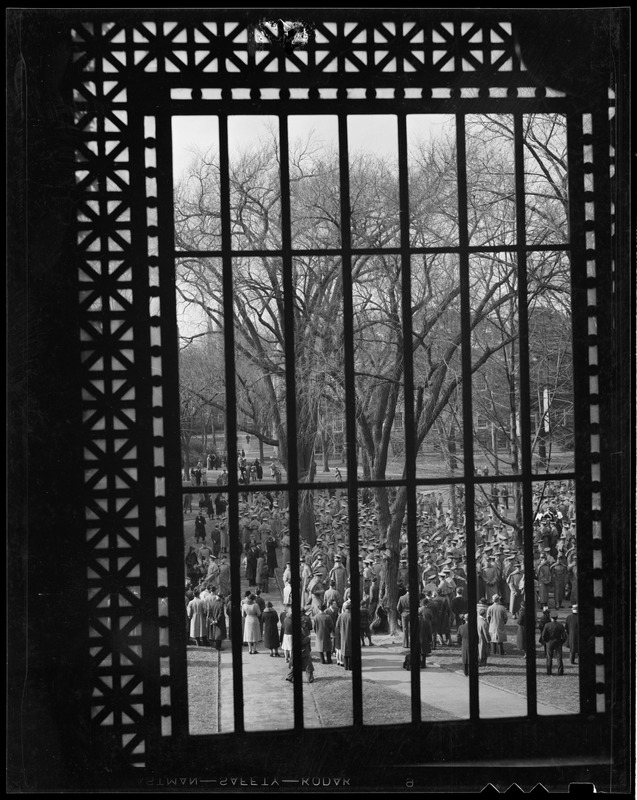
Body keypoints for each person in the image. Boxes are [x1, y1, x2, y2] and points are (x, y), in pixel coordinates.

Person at [541, 609, 567, 675]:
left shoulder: (547, 625)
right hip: (558, 642)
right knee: (559, 658)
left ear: (551, 617)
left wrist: (547, 641)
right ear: (557, 617)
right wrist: (561, 642)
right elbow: (564, 636)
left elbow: (543, 635)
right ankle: (560, 671)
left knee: (549, 657)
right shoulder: (560, 625)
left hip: (549, 642)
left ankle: (549, 671)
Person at [338, 600, 353, 671]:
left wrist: (341, 630)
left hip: (343, 635)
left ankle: (345, 666)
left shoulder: (341, 615)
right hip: (350, 635)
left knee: (344, 651)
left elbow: (337, 625)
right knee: (350, 651)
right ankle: (350, 666)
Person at [417, 599, 433, 668]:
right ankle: (423, 664)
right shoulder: (426, 621)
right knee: (423, 652)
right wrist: (430, 638)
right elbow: (429, 630)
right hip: (424, 637)